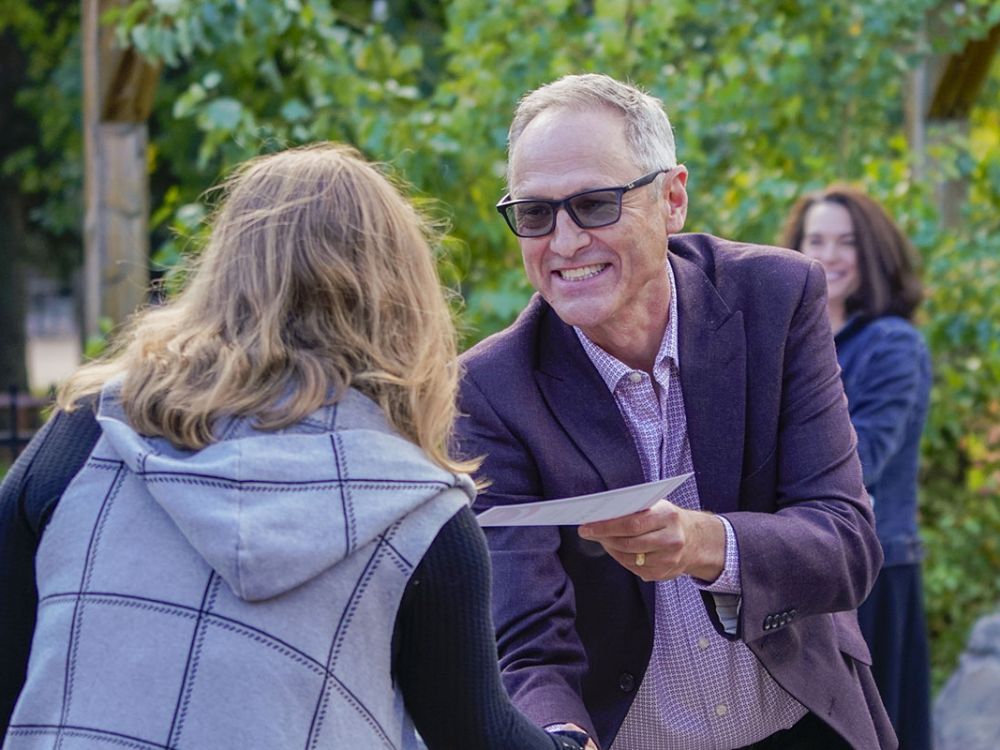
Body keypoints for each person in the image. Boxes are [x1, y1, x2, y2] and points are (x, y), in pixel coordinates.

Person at [0, 143, 585, 750]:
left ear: (223, 271)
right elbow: (477, 735)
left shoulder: (89, 434)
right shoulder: (418, 516)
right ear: (403, 297)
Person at [455, 73, 896, 750]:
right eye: (536, 215)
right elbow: (527, 644)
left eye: (595, 205)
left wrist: (704, 544)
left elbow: (846, 546)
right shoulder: (491, 388)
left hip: (803, 725)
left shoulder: (773, 300)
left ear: (673, 198)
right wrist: (560, 736)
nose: (565, 242)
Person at [782, 186, 932, 750]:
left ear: (872, 252)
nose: (829, 254)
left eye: (846, 242)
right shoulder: (790, 343)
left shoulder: (891, 345)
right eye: (815, 240)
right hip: (803, 570)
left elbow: (858, 461)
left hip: (873, 573)